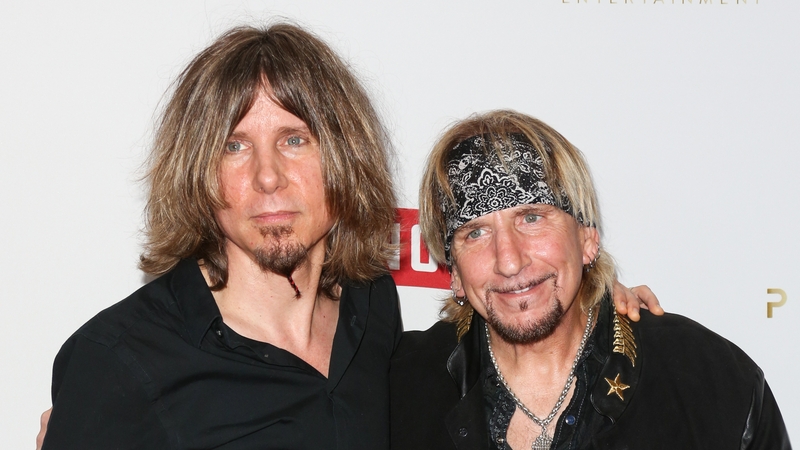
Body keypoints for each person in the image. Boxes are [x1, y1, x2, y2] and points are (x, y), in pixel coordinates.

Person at [37, 24, 660, 450]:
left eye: (294, 139)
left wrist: (591, 296)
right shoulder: (114, 363)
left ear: (343, 156)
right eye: (234, 145)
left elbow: (499, 338)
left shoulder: (372, 312)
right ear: (198, 172)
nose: (268, 177)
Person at [390, 110, 791, 449]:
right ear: (455, 272)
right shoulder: (398, 391)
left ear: (586, 238)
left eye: (532, 218)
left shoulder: (709, 383)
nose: (509, 261)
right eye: (475, 232)